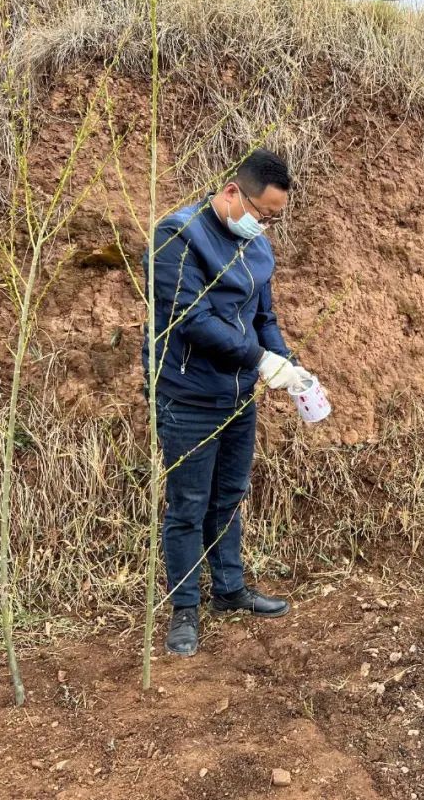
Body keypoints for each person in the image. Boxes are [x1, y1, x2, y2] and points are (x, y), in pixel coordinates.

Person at [143, 148, 318, 657]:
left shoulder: (258, 248)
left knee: (230, 495)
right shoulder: (178, 236)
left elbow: (263, 316)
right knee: (188, 505)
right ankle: (183, 610)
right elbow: (192, 318)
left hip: (237, 396)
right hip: (188, 394)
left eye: (273, 219)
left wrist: (287, 363)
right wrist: (262, 362)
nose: (263, 226)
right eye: (261, 214)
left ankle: (229, 590)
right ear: (231, 193)